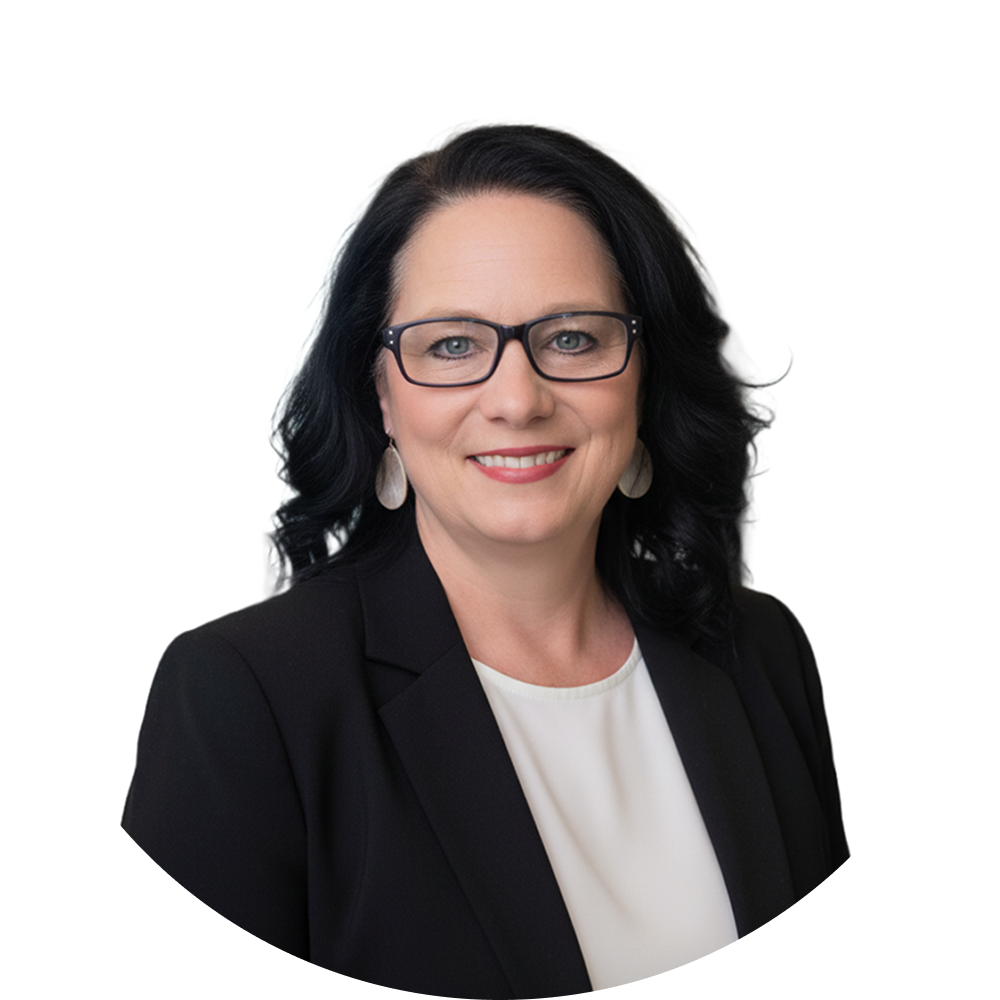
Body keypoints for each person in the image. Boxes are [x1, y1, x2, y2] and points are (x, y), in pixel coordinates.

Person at [123, 124, 848, 993]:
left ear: (646, 375)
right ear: (378, 392)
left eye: (572, 338)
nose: (517, 400)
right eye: (452, 346)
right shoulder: (247, 696)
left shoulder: (758, 650)